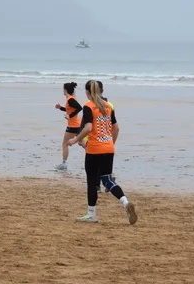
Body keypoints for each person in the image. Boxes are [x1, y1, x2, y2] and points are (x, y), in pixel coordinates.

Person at [64, 80, 137, 225]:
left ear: (87, 92)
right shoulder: (108, 105)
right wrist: (110, 143)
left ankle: (91, 215)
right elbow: (116, 128)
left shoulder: (88, 106)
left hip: (94, 149)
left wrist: (75, 139)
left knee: (92, 181)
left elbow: (88, 128)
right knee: (107, 180)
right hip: (108, 147)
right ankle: (125, 202)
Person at [54, 81, 82, 171]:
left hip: (73, 126)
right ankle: (96, 157)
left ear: (65, 90)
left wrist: (70, 116)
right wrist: (60, 108)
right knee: (82, 143)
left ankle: (64, 164)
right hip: (78, 125)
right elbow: (69, 109)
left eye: (63, 89)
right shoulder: (70, 99)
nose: (62, 90)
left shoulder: (70, 99)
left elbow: (79, 108)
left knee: (65, 144)